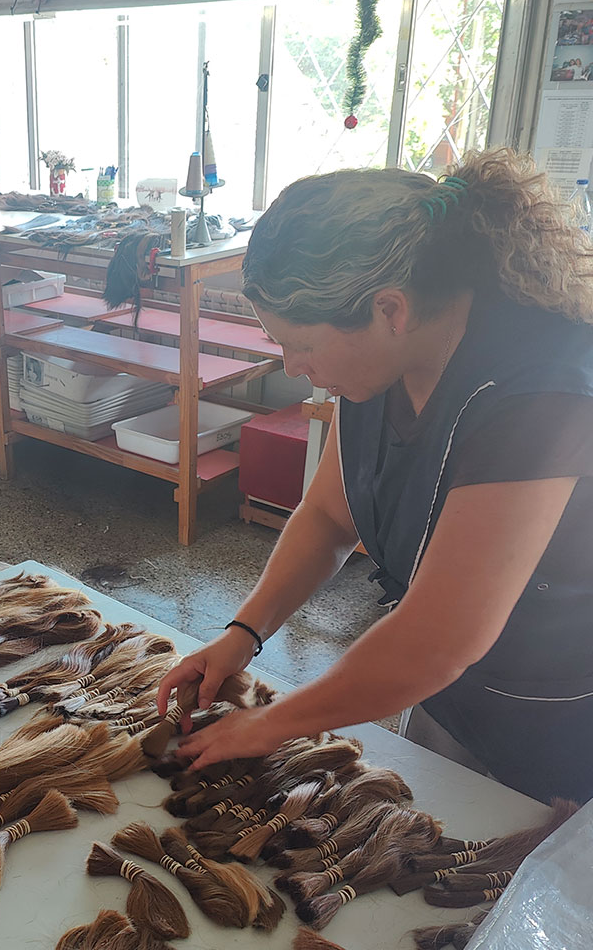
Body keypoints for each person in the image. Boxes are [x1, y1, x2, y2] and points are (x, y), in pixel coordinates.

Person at [159, 149, 593, 805]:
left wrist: (271, 727)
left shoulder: (541, 396)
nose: (294, 365)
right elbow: (330, 516)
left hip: (559, 723)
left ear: (390, 310)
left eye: (302, 345)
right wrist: (242, 635)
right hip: (450, 692)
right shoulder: (380, 365)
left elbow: (437, 643)